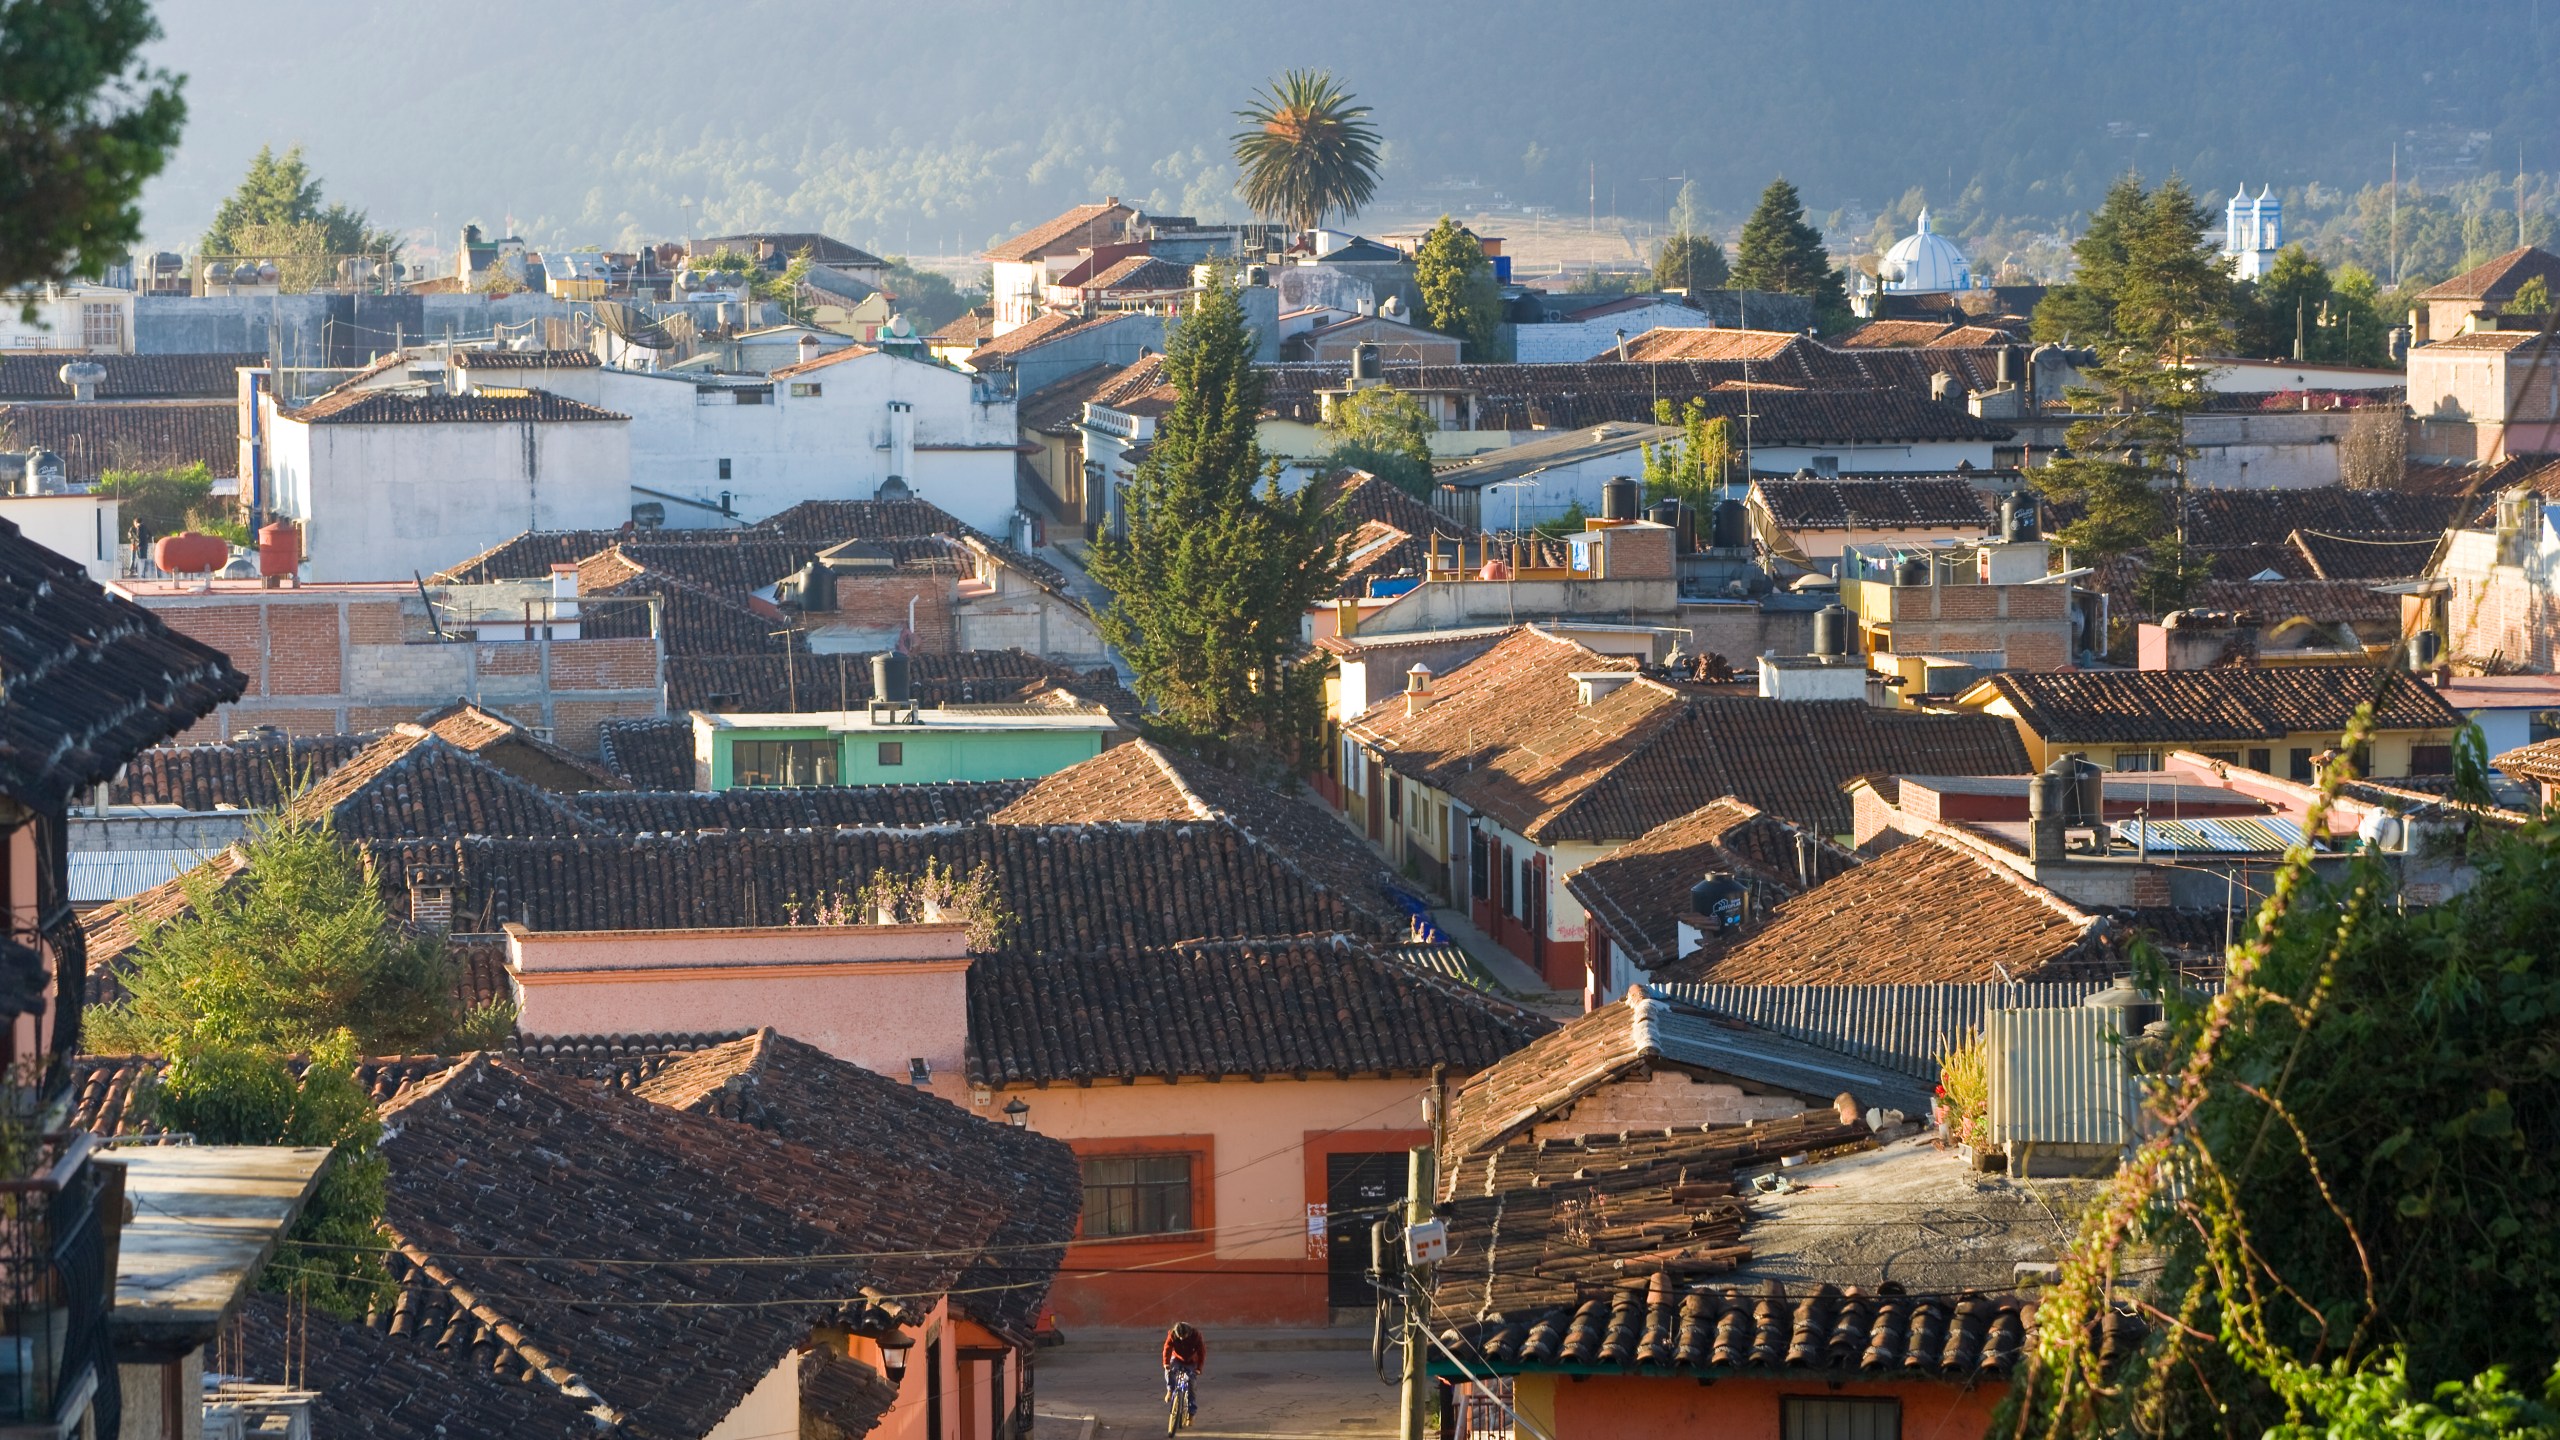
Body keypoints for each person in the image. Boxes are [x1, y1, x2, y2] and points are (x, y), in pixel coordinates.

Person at [1162, 1321, 1206, 1422]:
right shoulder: (1172, 1334)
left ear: (1189, 1333)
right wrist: (1166, 1363)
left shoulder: (1196, 1335)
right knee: (1169, 1370)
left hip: (1191, 1361)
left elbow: (1201, 1353)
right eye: (1179, 1336)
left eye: (1184, 1336)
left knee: (1191, 1384)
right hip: (1177, 1358)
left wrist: (1199, 1368)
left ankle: (1191, 1413)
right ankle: (1170, 1390)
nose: (1181, 1338)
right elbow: (1167, 1348)